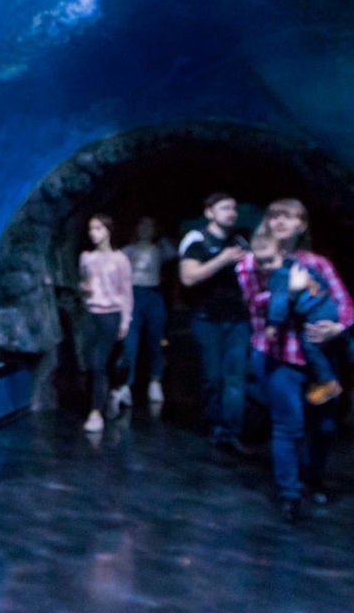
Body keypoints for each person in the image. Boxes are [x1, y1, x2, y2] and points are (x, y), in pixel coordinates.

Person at [235, 198, 354, 523]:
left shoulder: (317, 263)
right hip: (279, 356)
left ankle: (314, 478)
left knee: (325, 426)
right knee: (288, 425)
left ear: (302, 225)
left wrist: (338, 326)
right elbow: (255, 303)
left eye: (289, 217)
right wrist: (289, 291)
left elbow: (344, 302)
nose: (280, 221)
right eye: (274, 215)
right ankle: (289, 493)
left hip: (321, 357)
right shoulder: (253, 261)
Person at [250, 231, 354, 406]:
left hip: (314, 312)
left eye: (270, 260)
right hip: (327, 305)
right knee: (340, 335)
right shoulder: (298, 264)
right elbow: (321, 280)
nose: (267, 266)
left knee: (310, 344)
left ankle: (327, 382)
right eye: (261, 262)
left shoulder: (277, 277)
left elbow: (279, 302)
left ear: (281, 253)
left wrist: (273, 324)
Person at [179, 192, 251, 451]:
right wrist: (222, 260)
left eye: (233, 208)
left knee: (235, 378)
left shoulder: (240, 241)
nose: (231, 213)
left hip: (238, 319)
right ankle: (214, 424)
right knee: (213, 377)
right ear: (209, 212)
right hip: (207, 318)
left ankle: (230, 432)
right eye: (224, 208)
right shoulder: (198, 241)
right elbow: (188, 277)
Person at [78, 214, 132, 434]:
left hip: (111, 314)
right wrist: (84, 289)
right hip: (91, 314)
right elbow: (84, 283)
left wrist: (125, 320)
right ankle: (108, 395)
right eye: (91, 229)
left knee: (100, 363)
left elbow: (126, 292)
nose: (93, 233)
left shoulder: (120, 259)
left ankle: (95, 413)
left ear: (108, 230)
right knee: (90, 362)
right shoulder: (86, 257)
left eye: (98, 228)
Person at [117, 216, 177, 406]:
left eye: (149, 225)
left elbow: (173, 253)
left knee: (156, 339)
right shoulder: (128, 250)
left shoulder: (160, 249)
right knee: (130, 342)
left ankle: (155, 380)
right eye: (142, 225)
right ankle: (126, 384)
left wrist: (162, 235)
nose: (145, 228)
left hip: (153, 295)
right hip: (133, 295)